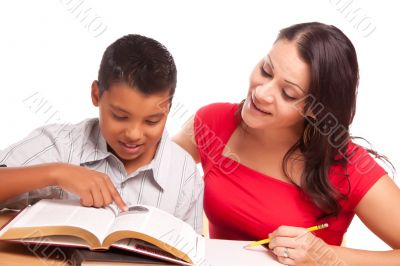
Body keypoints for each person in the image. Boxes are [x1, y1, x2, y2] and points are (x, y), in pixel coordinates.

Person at [173, 22, 400, 264]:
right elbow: (154, 172)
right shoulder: (212, 122)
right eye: (266, 70)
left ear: (315, 110)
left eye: (288, 94)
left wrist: (325, 257)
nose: (261, 94)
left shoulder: (349, 167)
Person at [0, 34, 203, 234]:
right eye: (120, 116)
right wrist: (56, 173)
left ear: (168, 109)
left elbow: (192, 252)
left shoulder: (185, 174)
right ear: (96, 95)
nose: (133, 134)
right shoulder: (61, 145)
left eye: (152, 121)